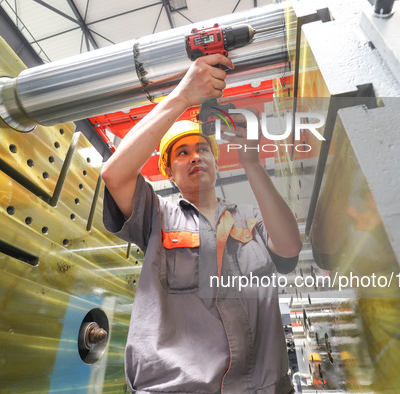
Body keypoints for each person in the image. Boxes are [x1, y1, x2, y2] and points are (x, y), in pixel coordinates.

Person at [101, 54, 302, 393]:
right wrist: (183, 96)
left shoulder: (252, 218)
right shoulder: (156, 216)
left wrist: (252, 164)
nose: (195, 156)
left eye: (203, 150)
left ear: (216, 161)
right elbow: (114, 174)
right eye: (182, 153)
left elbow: (289, 249)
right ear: (168, 170)